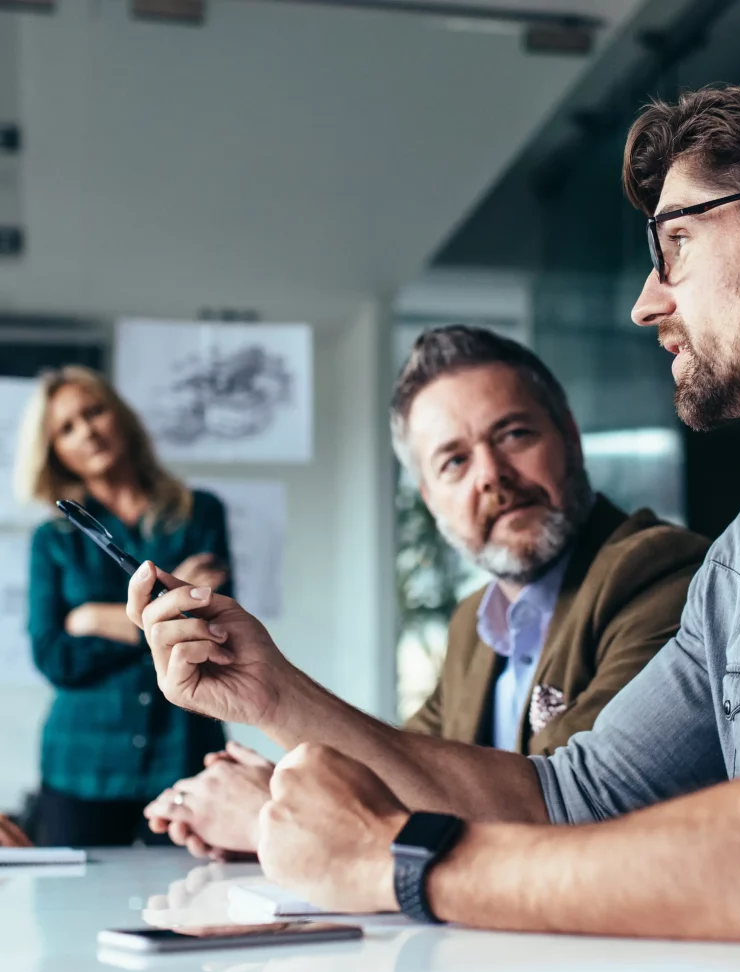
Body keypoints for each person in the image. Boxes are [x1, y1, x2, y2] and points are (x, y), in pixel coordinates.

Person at [127, 55, 740, 943]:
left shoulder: (670, 570)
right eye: (449, 462)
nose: (647, 302)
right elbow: (573, 797)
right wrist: (271, 694)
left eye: (675, 241)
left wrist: (399, 861)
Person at [144, 328, 707, 857]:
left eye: (514, 435)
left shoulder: (659, 574)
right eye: (454, 461)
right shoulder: (474, 624)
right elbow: (407, 774)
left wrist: (272, 813)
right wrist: (289, 785)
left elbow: (562, 812)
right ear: (430, 497)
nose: (490, 474)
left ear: (569, 436)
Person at [16, 366, 233, 847]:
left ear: (120, 417)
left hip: (182, 753)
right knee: (72, 915)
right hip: (83, 765)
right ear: (54, 451)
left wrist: (92, 619)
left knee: (193, 903)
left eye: (94, 412)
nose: (87, 431)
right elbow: (54, 656)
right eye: (66, 428)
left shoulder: (200, 514)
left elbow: (211, 629)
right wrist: (161, 617)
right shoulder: (52, 541)